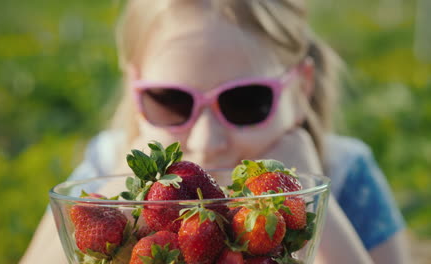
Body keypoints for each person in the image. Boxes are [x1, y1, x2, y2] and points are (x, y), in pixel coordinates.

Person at [20, 0, 409, 263]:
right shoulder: (106, 165)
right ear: (133, 89)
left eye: (245, 101)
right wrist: (121, 199)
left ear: (301, 88)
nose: (208, 143)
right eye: (170, 101)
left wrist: (315, 202)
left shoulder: (344, 172)